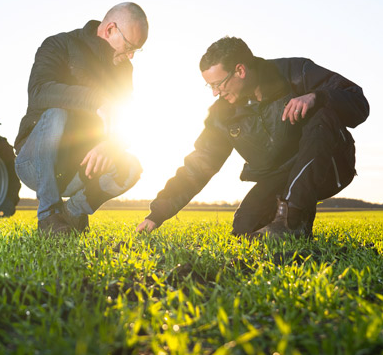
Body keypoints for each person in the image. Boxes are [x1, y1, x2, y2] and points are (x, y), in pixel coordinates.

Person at [136, 36, 369, 239]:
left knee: (322, 110)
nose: (216, 92)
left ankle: (294, 220)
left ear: (240, 70)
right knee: (244, 228)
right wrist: (157, 214)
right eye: (210, 87)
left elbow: (358, 102)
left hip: (330, 163)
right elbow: (199, 165)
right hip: (281, 177)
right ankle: (292, 220)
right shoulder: (222, 114)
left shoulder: (296, 72)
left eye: (218, 84)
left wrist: (316, 96)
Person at [14, 3, 148, 234]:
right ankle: (48, 216)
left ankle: (72, 213)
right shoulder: (59, 45)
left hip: (80, 167)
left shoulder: (124, 69)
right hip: (36, 161)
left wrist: (111, 144)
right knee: (57, 114)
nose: (131, 55)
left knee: (130, 168)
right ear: (110, 30)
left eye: (137, 49)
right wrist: (98, 100)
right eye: (128, 46)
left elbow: (127, 118)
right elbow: (39, 92)